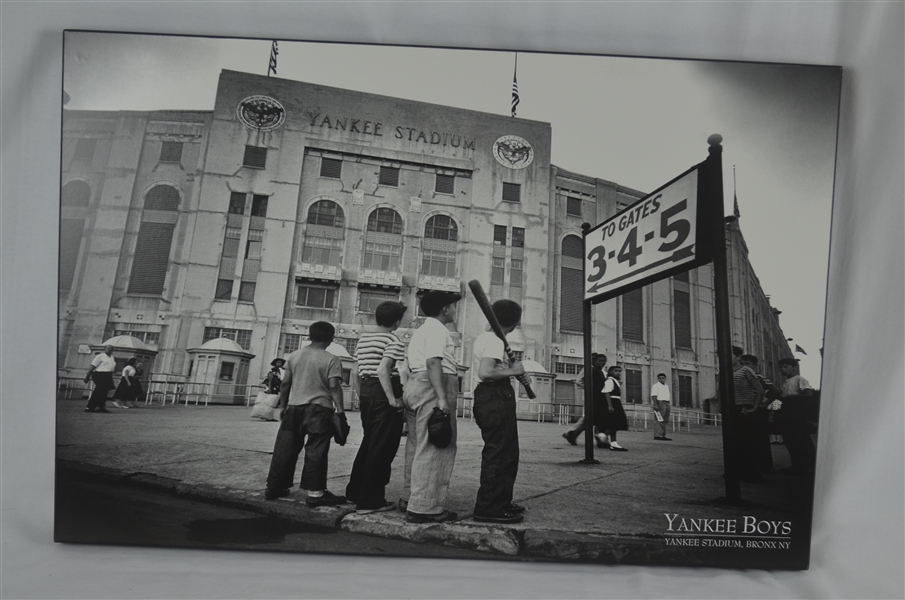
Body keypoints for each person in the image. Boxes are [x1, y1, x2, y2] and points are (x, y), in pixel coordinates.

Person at [264, 321, 348, 506]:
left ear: (309, 336)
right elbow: (334, 386)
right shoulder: (332, 359)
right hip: (320, 410)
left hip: (294, 408)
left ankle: (274, 487)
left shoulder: (294, 356)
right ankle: (316, 494)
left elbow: (286, 384)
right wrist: (341, 412)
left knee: (284, 449)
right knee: (316, 450)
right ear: (331, 338)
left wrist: (283, 406)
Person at [401, 290, 461, 524]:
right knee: (436, 446)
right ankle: (425, 508)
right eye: (453, 306)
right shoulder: (438, 329)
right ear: (445, 309)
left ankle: (411, 498)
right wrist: (442, 398)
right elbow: (433, 361)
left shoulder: (422, 329)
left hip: (416, 384)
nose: (455, 310)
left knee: (417, 444)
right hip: (434, 384)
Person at [345, 301, 408, 514]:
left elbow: (355, 372)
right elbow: (383, 370)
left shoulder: (364, 338)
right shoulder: (393, 339)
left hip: (367, 392)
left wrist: (362, 394)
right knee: (382, 446)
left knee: (369, 442)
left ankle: (355, 492)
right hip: (385, 392)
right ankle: (371, 500)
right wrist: (392, 399)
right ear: (398, 321)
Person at [471, 299, 528, 524]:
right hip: (493, 396)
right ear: (515, 322)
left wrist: (512, 371)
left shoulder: (490, 338)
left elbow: (495, 369)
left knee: (508, 453)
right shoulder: (494, 340)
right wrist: (513, 371)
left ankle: (501, 501)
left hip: (495, 396)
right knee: (499, 453)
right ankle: (488, 507)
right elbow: (485, 372)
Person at [777, 357, 817, 476]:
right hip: (788, 416)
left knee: (802, 442)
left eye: (785, 366)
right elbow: (780, 399)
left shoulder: (800, 379)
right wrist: (773, 409)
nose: (782, 369)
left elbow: (808, 395)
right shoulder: (785, 382)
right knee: (791, 442)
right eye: (780, 367)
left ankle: (809, 467)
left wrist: (789, 398)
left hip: (798, 416)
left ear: (794, 368)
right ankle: (796, 466)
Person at [731, 346, 766, 482]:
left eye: (730, 355)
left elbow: (760, 390)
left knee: (749, 442)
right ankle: (738, 470)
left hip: (745, 408)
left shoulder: (746, 370)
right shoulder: (725, 371)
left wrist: (754, 408)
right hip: (732, 409)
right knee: (735, 442)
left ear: (738, 357)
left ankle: (753, 473)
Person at [562, 353, 606, 446]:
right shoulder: (588, 368)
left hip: (598, 397)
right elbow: (579, 381)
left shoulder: (599, 371)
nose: (600, 362)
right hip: (592, 396)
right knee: (590, 417)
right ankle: (572, 433)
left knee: (593, 418)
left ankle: (573, 434)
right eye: (594, 359)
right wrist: (589, 389)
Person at [598, 365, 629, 451]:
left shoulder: (615, 381)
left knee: (615, 424)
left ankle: (612, 442)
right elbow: (607, 393)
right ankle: (603, 435)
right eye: (616, 371)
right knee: (615, 422)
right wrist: (610, 405)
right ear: (610, 372)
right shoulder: (610, 381)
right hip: (613, 402)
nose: (618, 373)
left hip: (616, 402)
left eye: (619, 371)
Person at [84, 345, 116, 413]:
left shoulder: (112, 357)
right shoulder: (100, 356)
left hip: (108, 375)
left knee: (104, 391)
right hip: (100, 374)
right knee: (99, 390)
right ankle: (90, 407)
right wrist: (87, 376)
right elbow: (93, 366)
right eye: (108, 348)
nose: (109, 350)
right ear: (104, 349)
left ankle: (101, 406)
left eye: (111, 349)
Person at [650, 372, 672, 441]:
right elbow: (654, 395)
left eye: (663, 378)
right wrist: (656, 404)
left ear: (665, 378)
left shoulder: (666, 386)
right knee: (659, 419)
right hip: (660, 402)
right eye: (660, 378)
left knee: (665, 420)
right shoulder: (655, 386)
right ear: (658, 379)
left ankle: (662, 434)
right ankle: (657, 435)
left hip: (667, 402)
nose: (661, 379)